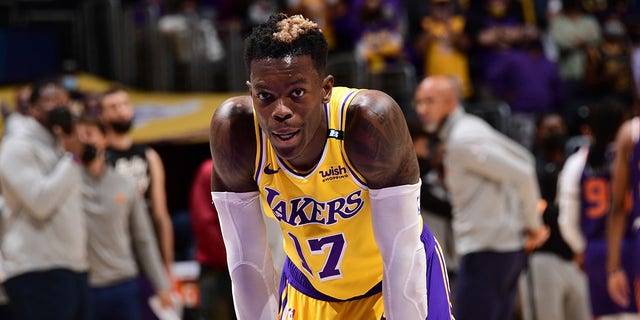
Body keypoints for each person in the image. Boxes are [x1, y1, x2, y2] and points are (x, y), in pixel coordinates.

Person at [209, 13, 453, 320]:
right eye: (265, 96)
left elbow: (400, 252)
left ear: (325, 89)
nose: (280, 111)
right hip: (310, 292)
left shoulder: (369, 122)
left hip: (394, 279)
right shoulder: (236, 131)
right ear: (251, 92)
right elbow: (245, 263)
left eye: (296, 93)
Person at [413, 75, 549, 320]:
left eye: (429, 101)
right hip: (499, 251)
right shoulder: (469, 128)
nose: (421, 109)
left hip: (487, 252)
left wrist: (533, 225)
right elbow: (525, 160)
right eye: (419, 102)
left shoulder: (463, 139)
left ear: (450, 102)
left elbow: (523, 172)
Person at [0, 78, 89, 320]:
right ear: (33, 108)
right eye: (51, 101)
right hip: (37, 271)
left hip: (72, 267)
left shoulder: (59, 146)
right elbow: (39, 202)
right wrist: (72, 158)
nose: (61, 107)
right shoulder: (16, 146)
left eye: (64, 101)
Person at [75, 117, 173, 320]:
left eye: (89, 134)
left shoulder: (125, 185)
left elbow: (143, 239)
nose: (84, 141)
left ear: (104, 139)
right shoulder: (66, 184)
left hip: (124, 284)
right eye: (79, 136)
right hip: (85, 287)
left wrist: (162, 285)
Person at [99, 87, 175, 320]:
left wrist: (167, 268)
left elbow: (161, 215)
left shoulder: (149, 156)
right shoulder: (101, 159)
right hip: (117, 261)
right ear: (102, 116)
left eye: (124, 105)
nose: (121, 111)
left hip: (148, 259)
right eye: (113, 107)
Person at [559, 100, 637, 319]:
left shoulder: (577, 163)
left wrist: (582, 249)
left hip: (596, 251)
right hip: (632, 246)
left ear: (589, 129)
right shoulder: (633, 157)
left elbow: (566, 220)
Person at [524, 112, 590, 320]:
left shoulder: (575, 167)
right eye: (549, 129)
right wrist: (564, 212)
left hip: (576, 258)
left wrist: (552, 209)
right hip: (544, 258)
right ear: (537, 134)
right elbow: (534, 210)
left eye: (558, 128)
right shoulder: (530, 168)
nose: (554, 133)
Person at [189, 158, 235, 320]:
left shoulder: (258, 167)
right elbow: (205, 226)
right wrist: (239, 258)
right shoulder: (210, 170)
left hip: (245, 268)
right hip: (219, 270)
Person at [607, 102, 640, 315]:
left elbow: (618, 206)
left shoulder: (631, 132)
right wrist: (613, 267)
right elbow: (617, 206)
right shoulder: (631, 133)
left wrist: (614, 267)